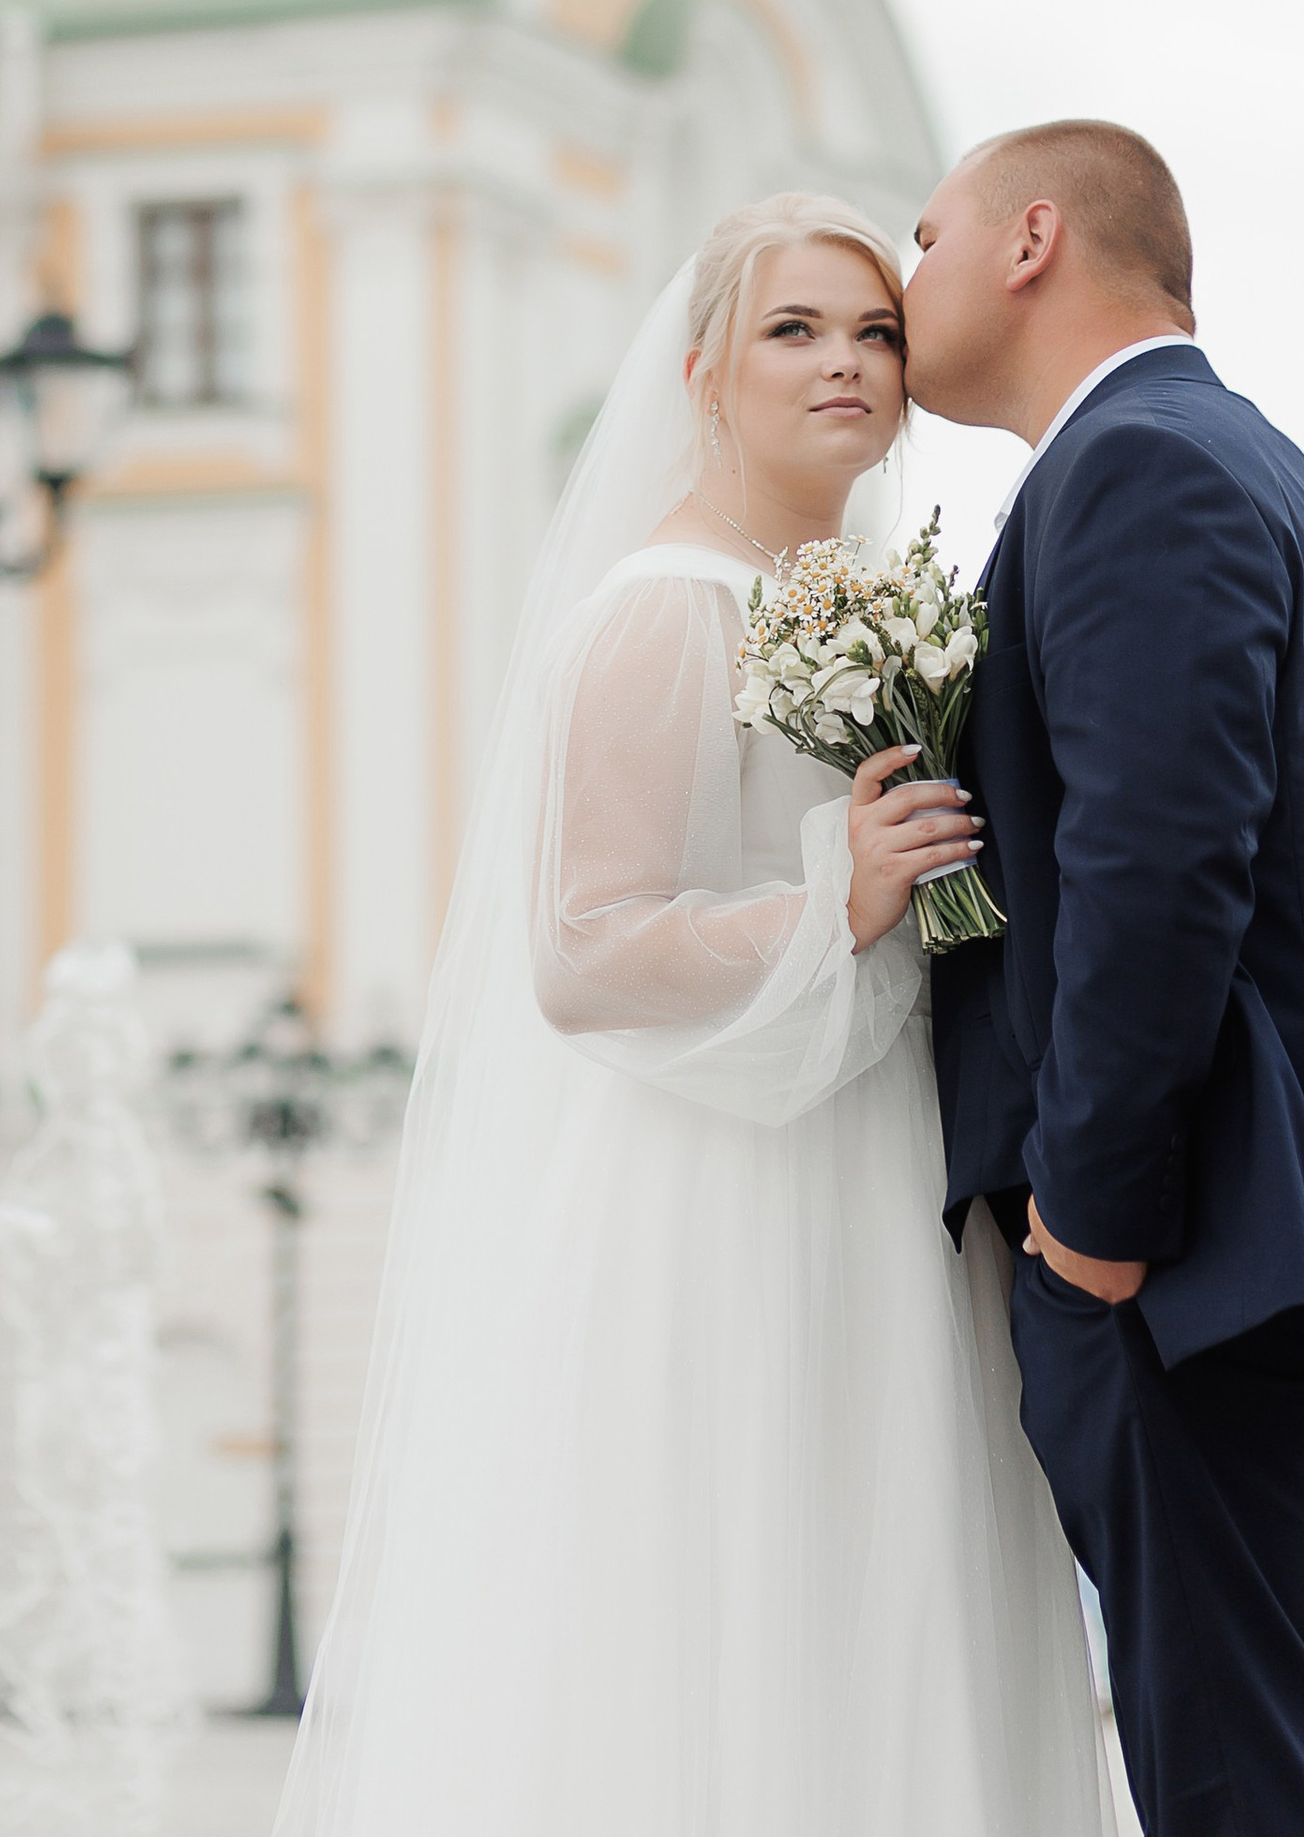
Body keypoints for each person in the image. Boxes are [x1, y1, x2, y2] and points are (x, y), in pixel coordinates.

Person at [275, 189, 1116, 1837]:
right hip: (726, 1199)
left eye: (876, 329)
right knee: (740, 1607)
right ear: (701, 371)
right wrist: (840, 897)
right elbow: (583, 951)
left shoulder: (874, 606)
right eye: (795, 331)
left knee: (893, 1591)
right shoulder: (666, 607)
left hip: (886, 1176)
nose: (848, 364)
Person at [906, 119, 1304, 1837]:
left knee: (1240, 1793)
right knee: (1279, 1778)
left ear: (1032, 238)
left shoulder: (1135, 469)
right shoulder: (1262, 469)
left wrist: (1090, 1228)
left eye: (926, 236)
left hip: (1208, 1249)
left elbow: (1156, 861)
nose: (909, 286)